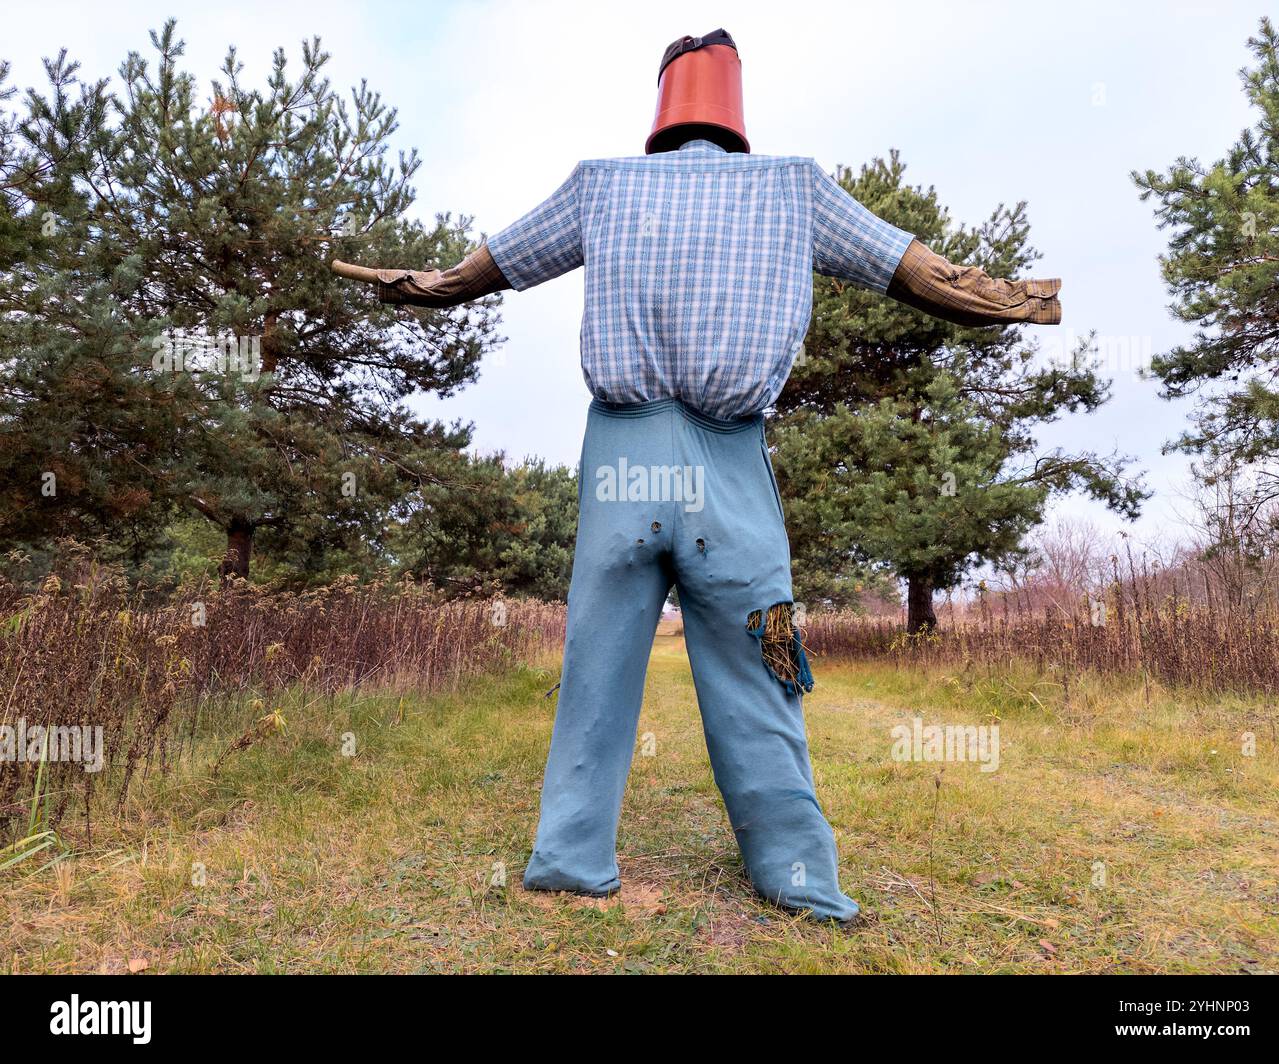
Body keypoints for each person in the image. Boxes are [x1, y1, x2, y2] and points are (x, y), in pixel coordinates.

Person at [332, 29, 1061, 922]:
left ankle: (569, 857)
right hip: (730, 461)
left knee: (595, 665)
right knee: (764, 660)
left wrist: (418, 285)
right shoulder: (797, 189)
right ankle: (798, 876)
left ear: (661, 111)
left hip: (621, 464)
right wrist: (1017, 301)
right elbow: (916, 272)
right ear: (737, 111)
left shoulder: (600, 186)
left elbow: (482, 269)